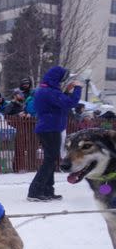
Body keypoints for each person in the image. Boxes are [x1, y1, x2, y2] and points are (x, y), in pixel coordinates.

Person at [27, 66, 82, 201]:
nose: (63, 81)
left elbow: (61, 105)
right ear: (57, 78)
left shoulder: (47, 90)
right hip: (50, 128)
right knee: (49, 160)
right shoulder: (49, 92)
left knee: (51, 160)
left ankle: (47, 190)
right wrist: (78, 88)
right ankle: (35, 191)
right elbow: (70, 103)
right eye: (62, 79)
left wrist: (68, 91)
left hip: (50, 127)